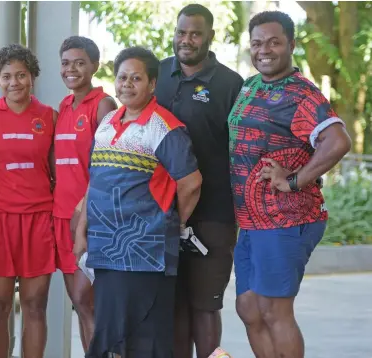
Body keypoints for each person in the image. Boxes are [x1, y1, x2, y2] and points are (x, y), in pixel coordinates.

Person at [229, 11, 351, 358]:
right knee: (249, 308)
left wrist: (294, 180)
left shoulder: (302, 95)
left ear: (291, 45)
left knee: (274, 310)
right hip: (251, 221)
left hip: (286, 219)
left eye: (274, 42)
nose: (264, 49)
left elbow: (337, 141)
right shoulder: (251, 85)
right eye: (256, 43)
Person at [74, 47, 203, 357]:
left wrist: (175, 223)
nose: (127, 85)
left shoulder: (164, 127)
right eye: (122, 78)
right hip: (105, 249)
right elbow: (96, 180)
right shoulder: (106, 123)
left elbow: (191, 182)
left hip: (145, 252)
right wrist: (82, 230)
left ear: (152, 84)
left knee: (146, 339)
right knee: (110, 335)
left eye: (136, 78)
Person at [153, 4, 244, 358]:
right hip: (159, 212)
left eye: (195, 33)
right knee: (173, 303)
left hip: (213, 213)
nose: (186, 40)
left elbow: (241, 148)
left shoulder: (229, 84)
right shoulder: (156, 73)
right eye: (181, 32)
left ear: (210, 37)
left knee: (205, 305)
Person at [0, 44, 57, 358]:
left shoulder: (49, 115)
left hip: (38, 219)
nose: (14, 82)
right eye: (7, 76)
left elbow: (56, 172)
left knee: (35, 306)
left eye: (21, 75)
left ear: (32, 77)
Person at [54, 35, 117, 351]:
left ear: (94, 65)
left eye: (80, 62)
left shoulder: (103, 104)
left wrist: (86, 217)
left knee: (89, 299)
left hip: (92, 220)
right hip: (61, 217)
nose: (72, 69)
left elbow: (108, 167)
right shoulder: (64, 106)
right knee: (80, 305)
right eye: (66, 63)